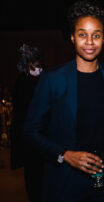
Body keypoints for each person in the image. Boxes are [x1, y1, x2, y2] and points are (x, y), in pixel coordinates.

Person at [23, 1, 104, 201]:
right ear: (72, 37)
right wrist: (65, 155)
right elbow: (30, 130)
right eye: (82, 34)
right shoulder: (53, 79)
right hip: (66, 178)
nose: (89, 42)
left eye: (96, 35)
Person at [10, 44, 44, 201]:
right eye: (34, 64)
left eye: (38, 63)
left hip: (43, 138)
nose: (38, 67)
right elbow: (22, 115)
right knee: (33, 177)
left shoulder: (42, 78)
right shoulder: (22, 83)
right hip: (30, 140)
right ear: (27, 64)